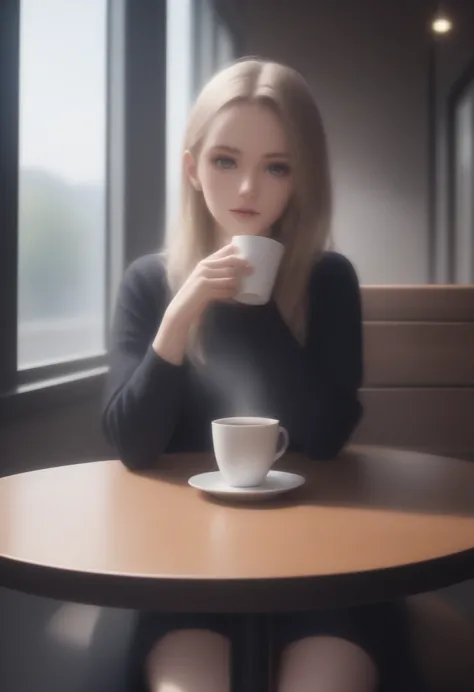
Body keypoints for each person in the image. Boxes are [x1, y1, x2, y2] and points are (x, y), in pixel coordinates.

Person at [102, 58, 421, 692]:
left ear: (300, 179)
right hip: (186, 562)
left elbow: (327, 435)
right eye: (226, 161)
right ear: (192, 169)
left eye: (276, 166)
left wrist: (258, 305)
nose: (249, 188)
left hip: (325, 555)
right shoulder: (149, 282)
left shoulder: (329, 280)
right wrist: (182, 315)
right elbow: (132, 444)